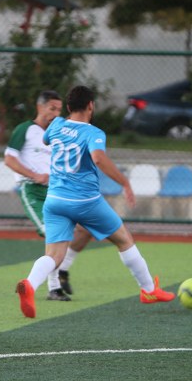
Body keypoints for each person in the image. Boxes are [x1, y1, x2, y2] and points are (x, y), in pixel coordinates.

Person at [15, 85, 175, 318]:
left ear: (68, 106)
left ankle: (30, 284)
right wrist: (124, 182)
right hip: (85, 201)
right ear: (91, 105)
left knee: (54, 256)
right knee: (124, 240)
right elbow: (98, 158)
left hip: (55, 200)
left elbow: (47, 140)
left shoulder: (57, 124)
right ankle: (149, 290)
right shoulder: (94, 133)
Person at [4, 90, 92, 302]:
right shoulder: (25, 129)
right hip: (33, 190)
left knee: (86, 228)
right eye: (52, 108)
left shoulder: (59, 133)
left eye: (59, 109)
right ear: (39, 107)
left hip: (58, 192)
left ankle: (63, 270)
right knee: (55, 234)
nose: (55, 113)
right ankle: (53, 288)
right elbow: (9, 159)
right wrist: (35, 175)